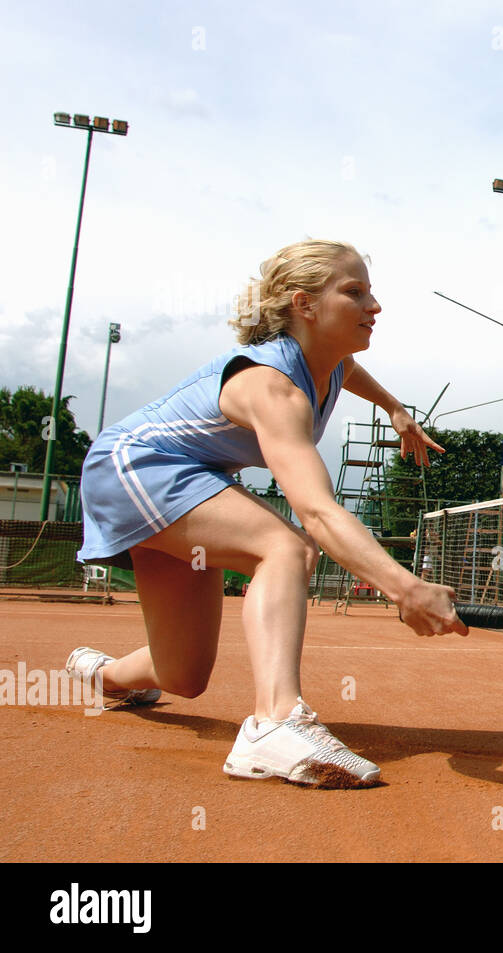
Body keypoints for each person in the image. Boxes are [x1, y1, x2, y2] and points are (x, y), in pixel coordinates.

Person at [66, 239, 466, 788]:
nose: (374, 307)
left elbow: (350, 374)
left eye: (371, 292)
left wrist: (395, 409)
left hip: (188, 481)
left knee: (183, 674)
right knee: (288, 545)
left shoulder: (327, 366)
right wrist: (405, 588)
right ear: (304, 305)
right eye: (355, 293)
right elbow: (319, 513)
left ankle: (99, 674)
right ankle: (275, 722)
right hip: (132, 466)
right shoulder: (274, 387)